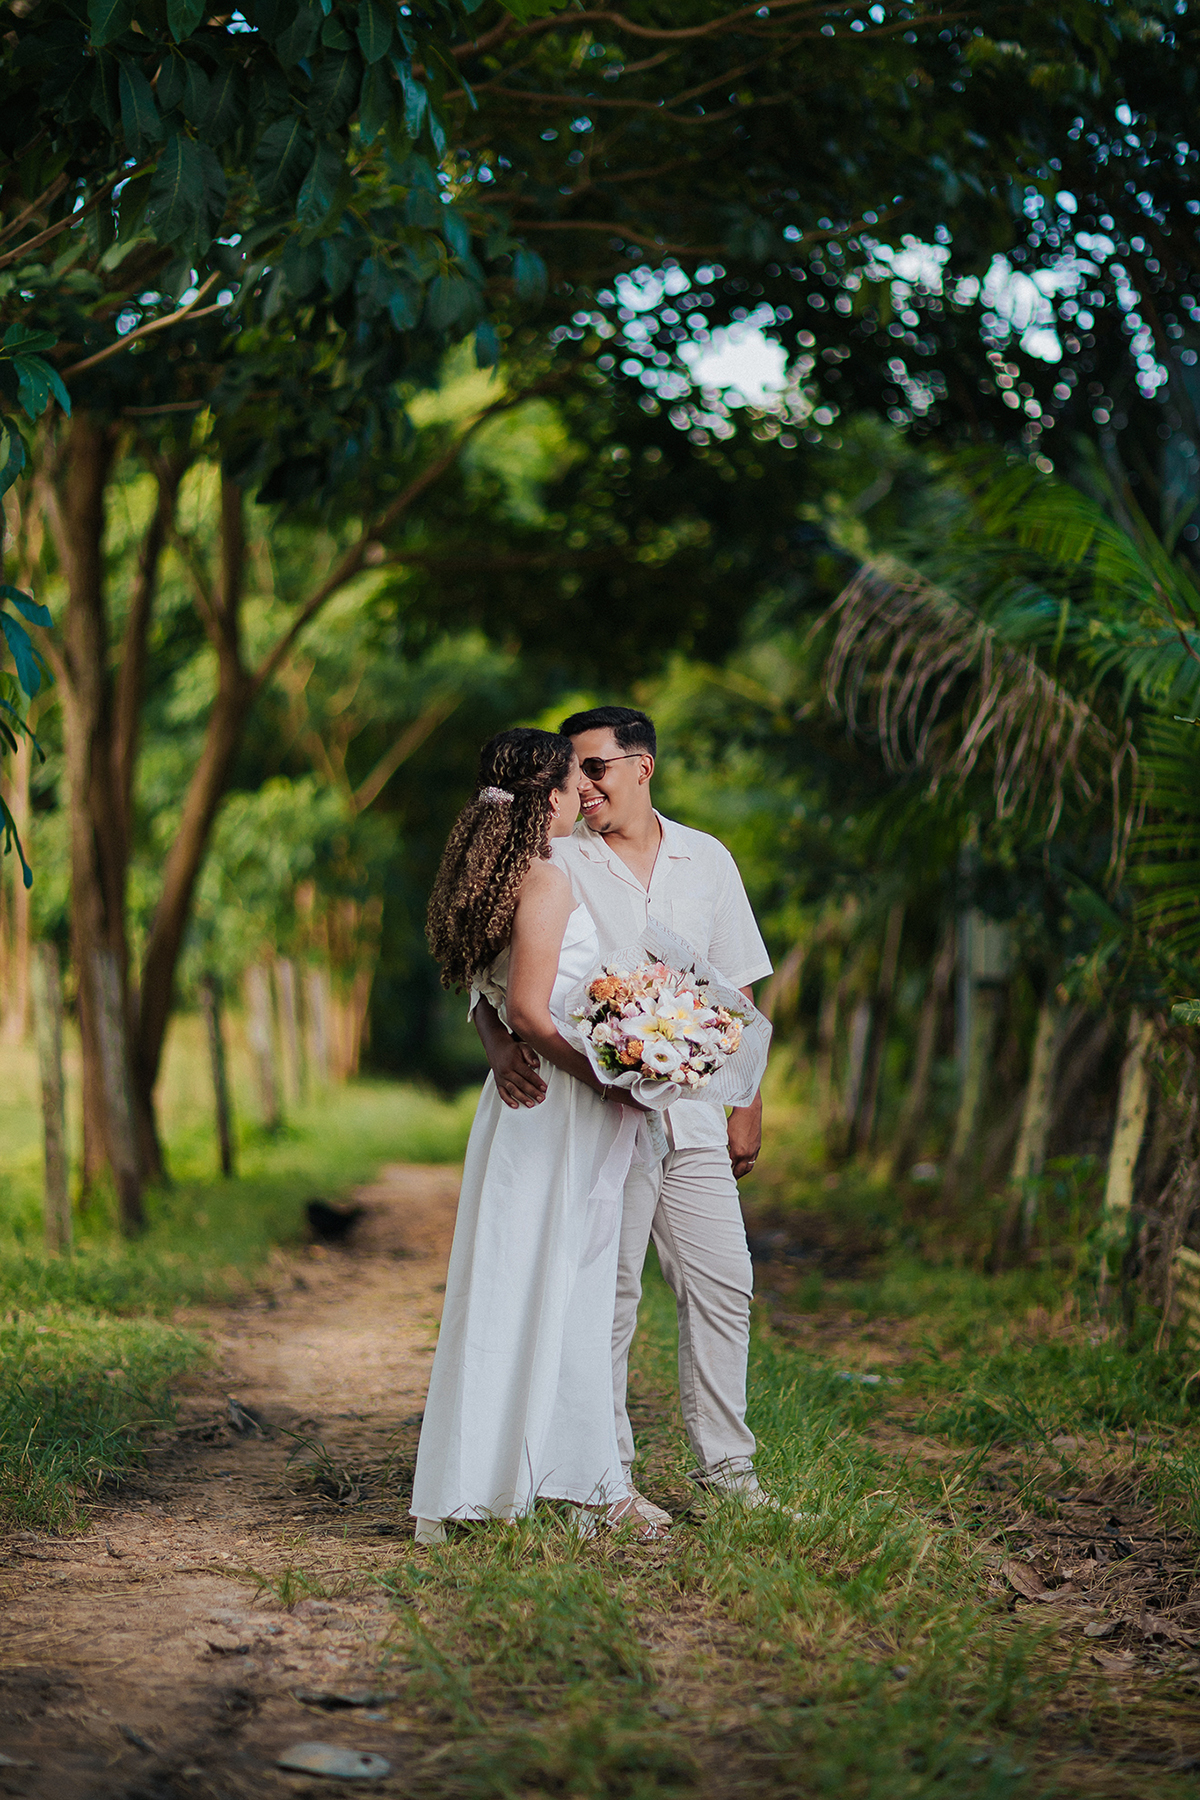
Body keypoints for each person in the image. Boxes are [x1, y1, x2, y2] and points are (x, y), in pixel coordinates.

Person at [473, 706, 778, 1522]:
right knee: (606, 1297)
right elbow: (491, 969)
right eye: (574, 773)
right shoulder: (555, 855)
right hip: (604, 1116)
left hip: (698, 1118)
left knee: (723, 1284)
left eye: (597, 768)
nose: (583, 785)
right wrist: (501, 1048)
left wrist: (747, 1099)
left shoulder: (706, 858)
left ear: (642, 767)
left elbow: (738, 988)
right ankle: (603, 1483)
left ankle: (729, 1475)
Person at [410, 726, 664, 1545]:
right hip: (556, 1102)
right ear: (545, 797)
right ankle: (567, 1485)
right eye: (568, 784)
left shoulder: (491, 874)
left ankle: (507, 1477)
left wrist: (500, 1047)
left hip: (518, 1105)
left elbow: (488, 998)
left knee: (516, 1282)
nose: (579, 795)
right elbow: (526, 1009)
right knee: (566, 1287)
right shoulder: (547, 879)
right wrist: (611, 1077)